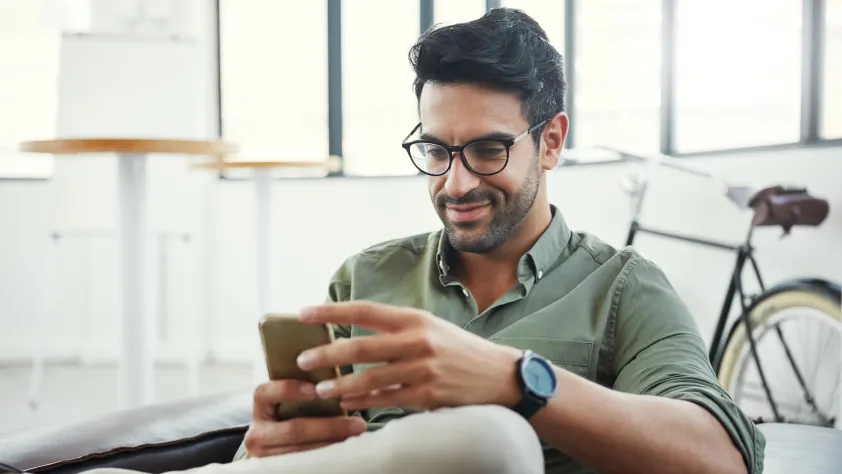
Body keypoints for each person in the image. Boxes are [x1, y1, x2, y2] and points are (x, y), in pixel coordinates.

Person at [88, 7, 764, 474]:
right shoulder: (367, 279)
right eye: (435, 151)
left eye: (488, 150)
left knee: (491, 439)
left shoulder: (621, 289)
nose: (456, 183)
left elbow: (720, 459)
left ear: (551, 141)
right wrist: (267, 448)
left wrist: (516, 382)